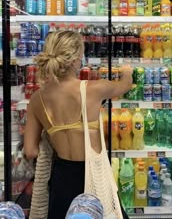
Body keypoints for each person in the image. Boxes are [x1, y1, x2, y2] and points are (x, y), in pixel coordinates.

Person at [24, 30, 133, 219]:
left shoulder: (37, 99)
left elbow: (30, 151)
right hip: (93, 176)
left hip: (62, 178)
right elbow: (125, 85)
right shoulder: (94, 89)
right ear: (76, 59)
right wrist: (127, 72)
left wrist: (51, 135)